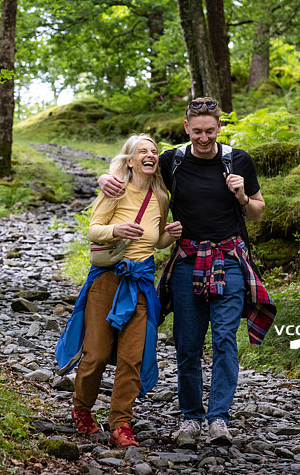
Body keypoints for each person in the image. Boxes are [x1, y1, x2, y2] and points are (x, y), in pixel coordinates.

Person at [96, 98, 276, 445]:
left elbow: (258, 212)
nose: (204, 139)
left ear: (219, 128)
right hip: (186, 260)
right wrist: (107, 177)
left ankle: (219, 418)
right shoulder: (172, 161)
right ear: (186, 128)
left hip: (230, 258)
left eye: (210, 131)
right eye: (197, 132)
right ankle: (192, 418)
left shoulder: (238, 160)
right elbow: (136, 171)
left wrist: (241, 195)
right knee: (188, 344)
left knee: (225, 340)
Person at [55, 134, 183, 448]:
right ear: (129, 159)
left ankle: (120, 423)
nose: (151, 155)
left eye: (154, 151)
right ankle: (82, 409)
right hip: (107, 280)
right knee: (96, 353)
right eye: (143, 151)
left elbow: (155, 242)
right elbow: (93, 230)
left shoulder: (161, 198)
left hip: (140, 284)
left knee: (132, 358)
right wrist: (116, 230)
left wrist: (171, 236)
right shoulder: (115, 189)